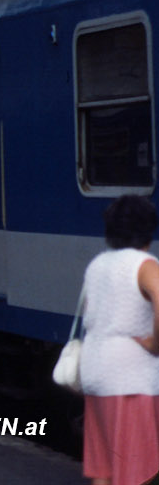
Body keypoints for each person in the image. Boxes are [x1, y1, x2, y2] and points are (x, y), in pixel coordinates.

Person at [78, 194, 159, 485]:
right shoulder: (145, 264)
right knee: (136, 473)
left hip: (95, 372)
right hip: (130, 379)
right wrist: (154, 344)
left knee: (105, 470)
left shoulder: (98, 264)